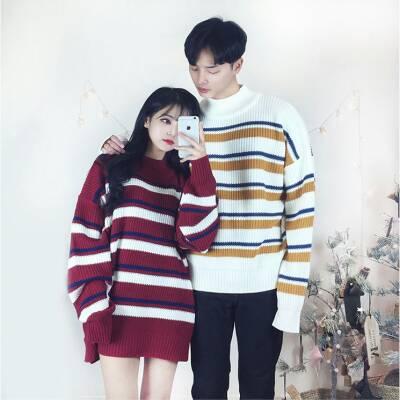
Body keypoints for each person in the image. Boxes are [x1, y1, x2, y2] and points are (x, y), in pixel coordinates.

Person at [102, 17, 316, 400]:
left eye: (212, 69)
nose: (200, 79)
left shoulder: (280, 117)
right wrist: (117, 148)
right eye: (193, 68)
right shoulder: (187, 122)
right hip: (201, 284)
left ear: (238, 64)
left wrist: (290, 298)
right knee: (206, 389)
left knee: (258, 389)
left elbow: (300, 211)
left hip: (263, 284)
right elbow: (153, 164)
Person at [67, 87, 219, 399]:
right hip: (119, 307)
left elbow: (197, 239)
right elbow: (86, 236)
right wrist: (95, 307)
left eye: (182, 124)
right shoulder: (110, 167)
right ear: (147, 119)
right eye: (165, 120)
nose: (172, 131)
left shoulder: (185, 179)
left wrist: (201, 164)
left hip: (170, 307)